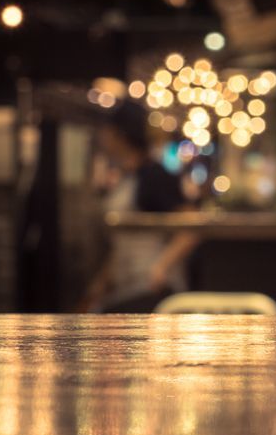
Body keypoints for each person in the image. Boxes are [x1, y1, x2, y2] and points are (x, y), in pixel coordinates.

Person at [80, 102, 197, 311]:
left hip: (154, 289)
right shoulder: (125, 177)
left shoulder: (155, 175)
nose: (102, 137)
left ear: (119, 134)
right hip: (127, 284)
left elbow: (191, 227)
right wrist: (101, 283)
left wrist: (160, 268)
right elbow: (125, 241)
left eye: (106, 131)